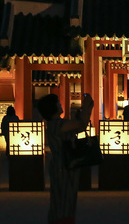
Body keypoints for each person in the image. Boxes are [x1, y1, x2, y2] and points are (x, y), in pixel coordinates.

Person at [37, 93, 94, 224]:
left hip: (62, 164)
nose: (60, 104)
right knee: (64, 199)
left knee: (63, 199)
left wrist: (86, 110)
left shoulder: (55, 124)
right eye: (57, 103)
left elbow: (79, 125)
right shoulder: (57, 124)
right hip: (63, 166)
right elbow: (81, 125)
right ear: (52, 108)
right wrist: (86, 109)